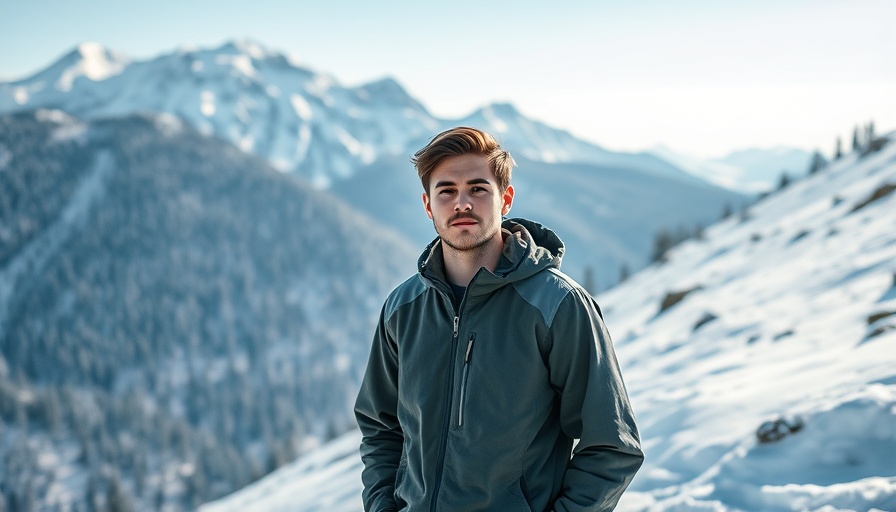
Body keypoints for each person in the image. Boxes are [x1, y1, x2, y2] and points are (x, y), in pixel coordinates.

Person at [354, 127, 643, 511]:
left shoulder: (557, 305)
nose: (462, 204)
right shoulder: (403, 308)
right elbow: (380, 427)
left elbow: (612, 446)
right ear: (428, 205)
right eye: (446, 191)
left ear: (504, 199)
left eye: (478, 189)